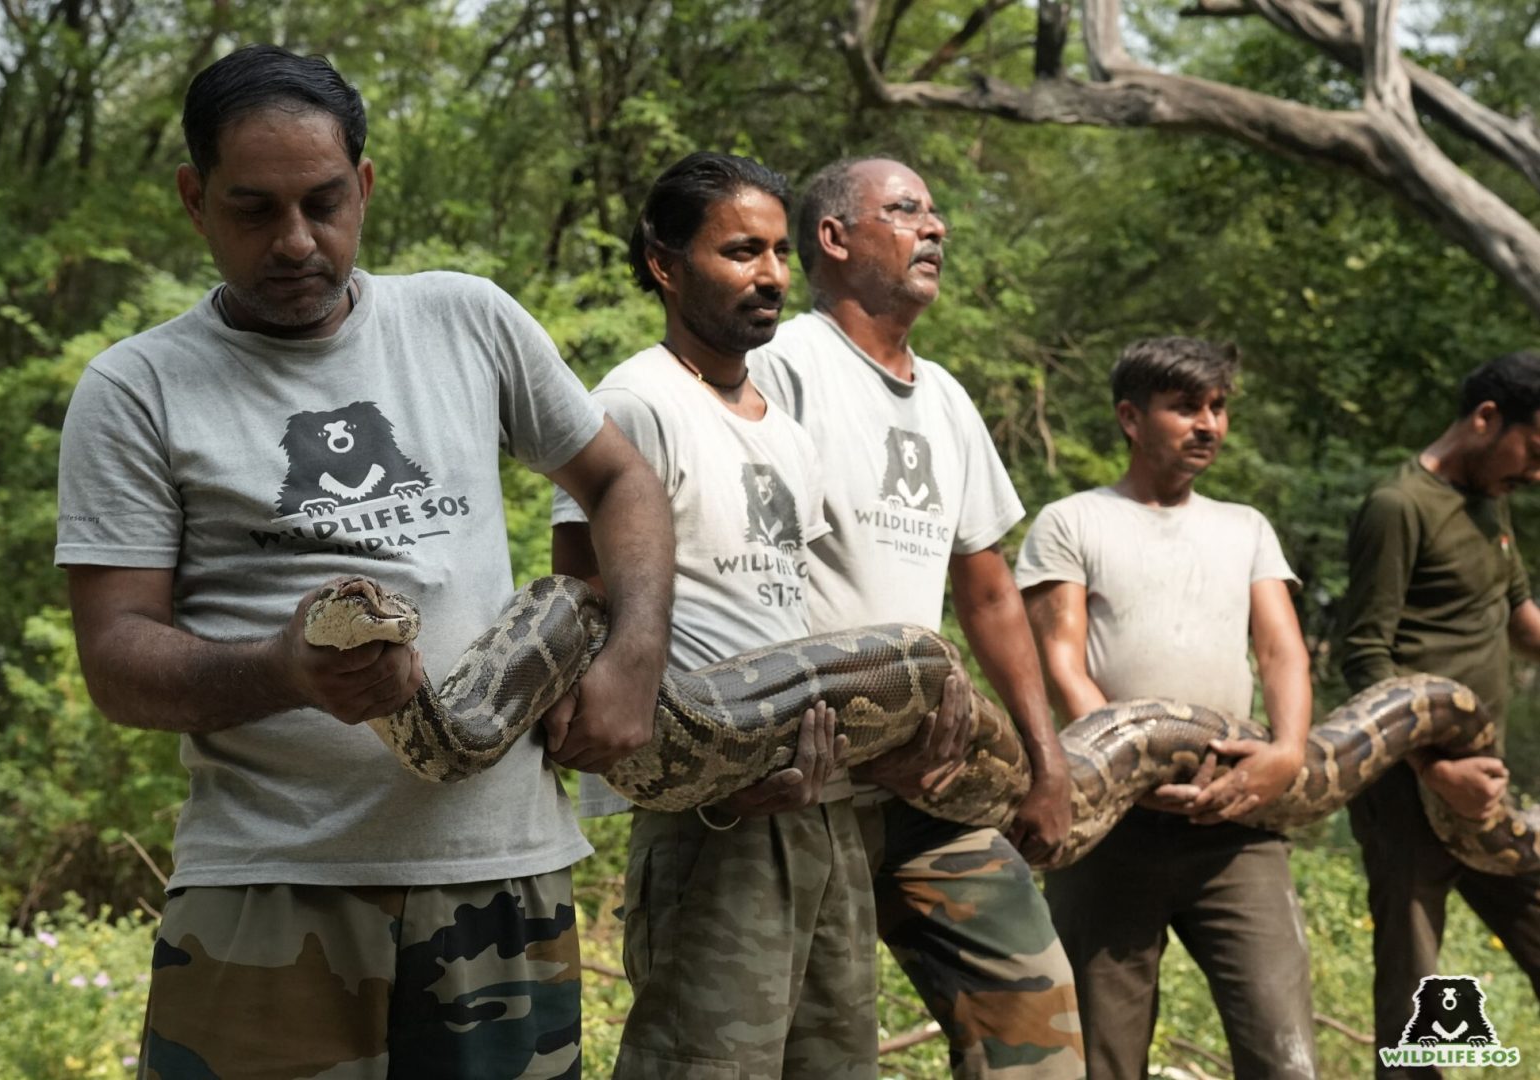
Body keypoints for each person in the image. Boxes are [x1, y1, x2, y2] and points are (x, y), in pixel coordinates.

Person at [55, 45, 674, 1078]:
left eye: (324, 202)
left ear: (367, 186)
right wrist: (284, 670)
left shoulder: (465, 319)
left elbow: (621, 483)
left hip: (499, 872)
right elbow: (116, 660)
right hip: (266, 890)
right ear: (192, 199)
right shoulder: (135, 389)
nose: (296, 241)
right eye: (253, 210)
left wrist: (635, 652)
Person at [751, 157, 1085, 1079]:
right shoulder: (783, 368)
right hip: (806, 780)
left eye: (935, 214)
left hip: (934, 778)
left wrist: (1044, 761)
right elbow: (742, 564)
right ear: (834, 238)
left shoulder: (944, 398)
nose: (934, 228)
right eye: (905, 212)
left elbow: (985, 592)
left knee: (1036, 1027)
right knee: (808, 1048)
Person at [552, 151, 879, 1079]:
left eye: (778, 252)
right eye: (740, 251)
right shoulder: (632, 403)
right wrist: (703, 781)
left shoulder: (780, 423)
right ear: (665, 263)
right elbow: (578, 613)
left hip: (813, 802)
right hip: (709, 816)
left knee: (835, 1062)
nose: (771, 275)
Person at [1016, 337, 1316, 1080]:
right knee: (1101, 1058)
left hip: (1236, 824)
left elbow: (1281, 652)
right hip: (1110, 826)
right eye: (1185, 408)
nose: (1207, 424)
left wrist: (1287, 752)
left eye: (1216, 407)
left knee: (1283, 1054)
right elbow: (1062, 660)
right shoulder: (1071, 520)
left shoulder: (1242, 525)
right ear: (1129, 416)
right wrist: (1128, 763)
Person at [1339, 350, 1540, 1075]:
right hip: (1405, 785)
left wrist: (1464, 777)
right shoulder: (1398, 506)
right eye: (1535, 448)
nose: (1537, 471)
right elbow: (1363, 655)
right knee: (1416, 990)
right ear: (1486, 418)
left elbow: (1517, 619)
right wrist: (1432, 769)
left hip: (1483, 785)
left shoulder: (1492, 500)